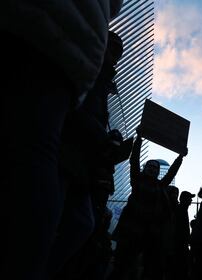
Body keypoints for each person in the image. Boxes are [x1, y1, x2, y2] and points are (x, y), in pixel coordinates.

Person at [0, 1, 123, 279]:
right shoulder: (99, 73)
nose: (116, 58)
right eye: (114, 50)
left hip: (45, 30)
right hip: (64, 46)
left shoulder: (105, 79)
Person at [109, 125, 188, 280]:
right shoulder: (137, 179)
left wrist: (180, 157)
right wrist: (139, 138)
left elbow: (171, 172)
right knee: (122, 267)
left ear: (158, 173)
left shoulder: (161, 186)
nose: (153, 169)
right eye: (150, 166)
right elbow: (134, 160)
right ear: (145, 169)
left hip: (148, 233)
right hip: (131, 230)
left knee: (142, 268)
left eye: (155, 168)